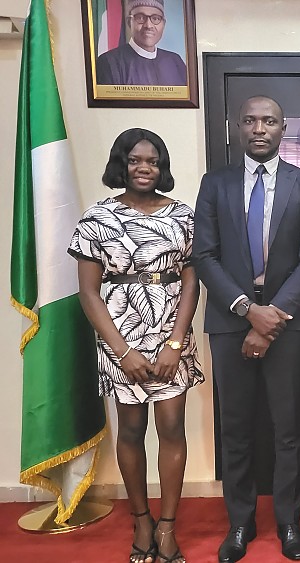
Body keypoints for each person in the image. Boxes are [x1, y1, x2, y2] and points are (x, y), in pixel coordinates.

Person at [193, 96, 300, 562]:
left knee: (288, 429)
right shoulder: (215, 184)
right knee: (235, 428)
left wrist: (271, 317)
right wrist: (248, 309)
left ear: (283, 128)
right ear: (237, 127)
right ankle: (240, 522)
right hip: (230, 323)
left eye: (269, 121)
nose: (259, 128)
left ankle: (289, 521)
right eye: (250, 121)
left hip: (288, 324)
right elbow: (204, 255)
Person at [70, 128, 202, 563]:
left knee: (172, 428)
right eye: (135, 160)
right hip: (120, 337)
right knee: (130, 430)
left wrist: (176, 344)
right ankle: (141, 520)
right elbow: (88, 293)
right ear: (121, 165)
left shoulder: (183, 215)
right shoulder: (97, 217)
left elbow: (191, 281)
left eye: (153, 161)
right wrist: (123, 353)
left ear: (162, 168)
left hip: (170, 335)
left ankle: (167, 527)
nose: (145, 168)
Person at [96, 0, 187, 86]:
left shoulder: (175, 61)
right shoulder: (109, 63)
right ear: (129, 22)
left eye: (155, 18)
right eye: (140, 18)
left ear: (163, 24)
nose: (148, 25)